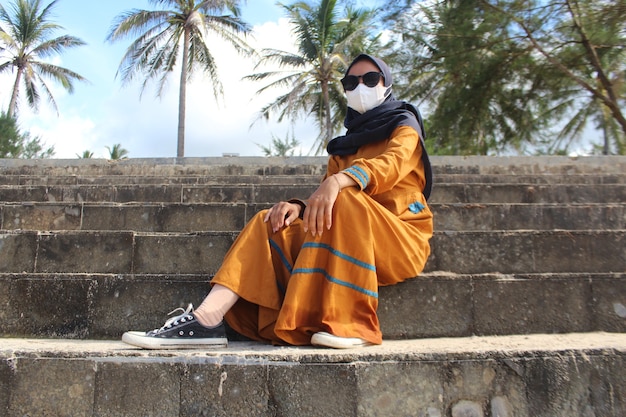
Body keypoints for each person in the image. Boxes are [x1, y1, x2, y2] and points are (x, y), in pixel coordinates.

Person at [122, 54, 433, 350]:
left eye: (370, 78)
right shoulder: (343, 149)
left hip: (400, 239)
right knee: (270, 221)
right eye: (350, 83)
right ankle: (207, 319)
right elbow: (327, 202)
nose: (359, 87)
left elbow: (393, 163)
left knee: (347, 196)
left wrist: (339, 181)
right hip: (350, 236)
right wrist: (298, 207)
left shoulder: (404, 125)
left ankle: (350, 322)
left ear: (386, 84)